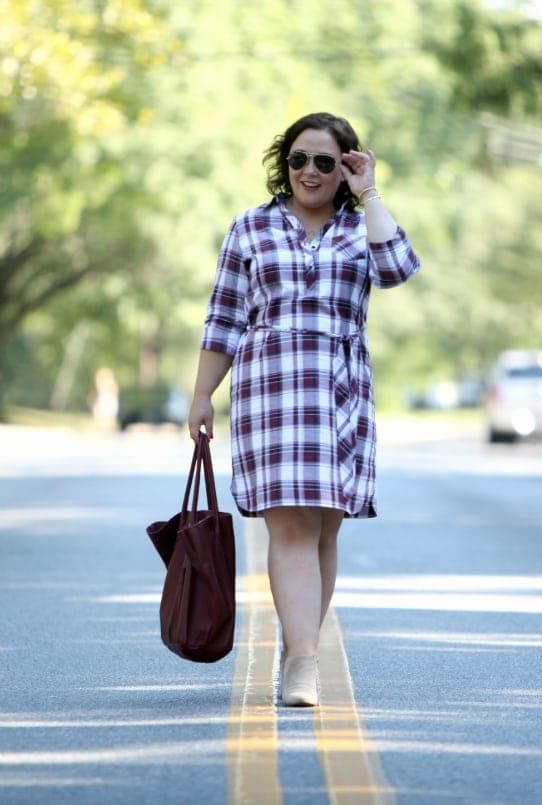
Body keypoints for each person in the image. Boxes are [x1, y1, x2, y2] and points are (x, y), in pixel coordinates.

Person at [188, 112, 420, 706]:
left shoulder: (361, 227)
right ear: (283, 165)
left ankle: (300, 648)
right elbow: (224, 319)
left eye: (325, 161)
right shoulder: (250, 229)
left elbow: (397, 269)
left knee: (323, 532)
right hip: (270, 390)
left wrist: (370, 193)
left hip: (341, 392)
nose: (309, 172)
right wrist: (201, 395)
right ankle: (305, 666)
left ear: (345, 167)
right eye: (298, 160)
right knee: (290, 527)